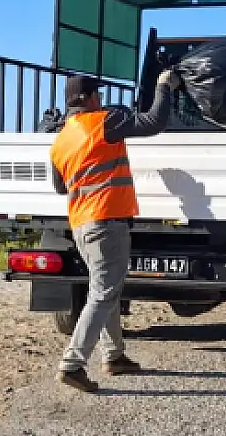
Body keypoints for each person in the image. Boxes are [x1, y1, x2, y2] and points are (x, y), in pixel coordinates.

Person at [49, 67, 182, 392]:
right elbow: (154, 123)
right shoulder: (103, 122)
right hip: (107, 221)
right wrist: (164, 86)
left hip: (82, 224)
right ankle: (72, 364)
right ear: (92, 98)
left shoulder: (61, 139)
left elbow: (60, 187)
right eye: (100, 95)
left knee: (107, 290)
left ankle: (115, 356)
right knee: (104, 292)